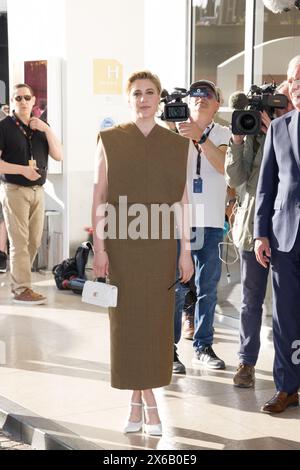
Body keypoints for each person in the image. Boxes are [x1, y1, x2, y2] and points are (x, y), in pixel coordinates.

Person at [92, 70, 194, 435]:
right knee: (127, 327)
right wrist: (99, 248)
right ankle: (147, 404)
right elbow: (100, 196)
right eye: (137, 93)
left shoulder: (177, 145)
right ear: (129, 98)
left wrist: (185, 251)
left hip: (162, 248)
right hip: (121, 247)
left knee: (153, 328)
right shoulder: (110, 139)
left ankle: (140, 403)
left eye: (150, 92)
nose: (144, 99)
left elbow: (183, 201)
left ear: (160, 97)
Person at [225, 81, 294, 388]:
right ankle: (246, 362)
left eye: (276, 107)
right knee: (251, 300)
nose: (270, 113)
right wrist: (239, 139)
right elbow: (237, 177)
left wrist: (274, 131)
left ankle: (289, 371)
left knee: (287, 306)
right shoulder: (252, 133)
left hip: (287, 229)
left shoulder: (287, 130)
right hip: (252, 229)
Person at [173, 80, 231, 372]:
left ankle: (203, 346)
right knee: (175, 288)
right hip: (177, 221)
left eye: (207, 94)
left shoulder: (224, 133)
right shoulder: (174, 131)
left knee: (207, 287)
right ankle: (169, 350)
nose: (200, 98)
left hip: (210, 222)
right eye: (195, 94)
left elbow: (223, 165)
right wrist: (185, 134)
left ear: (217, 103)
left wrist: (199, 138)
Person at [254, 56, 300, 413]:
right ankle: (286, 388)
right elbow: (266, 186)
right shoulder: (279, 128)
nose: (294, 85)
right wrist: (260, 234)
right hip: (285, 237)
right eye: (290, 79)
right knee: (284, 318)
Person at [0, 83, 63, 304]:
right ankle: (22, 288)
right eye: (18, 98)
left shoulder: (42, 126)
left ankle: (21, 283)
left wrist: (47, 130)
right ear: (12, 102)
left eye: (27, 98)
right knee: (19, 241)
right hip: (15, 190)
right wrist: (22, 170)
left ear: (34, 101)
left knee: (34, 241)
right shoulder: (5, 127)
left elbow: (59, 155)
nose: (23, 102)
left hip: (38, 190)